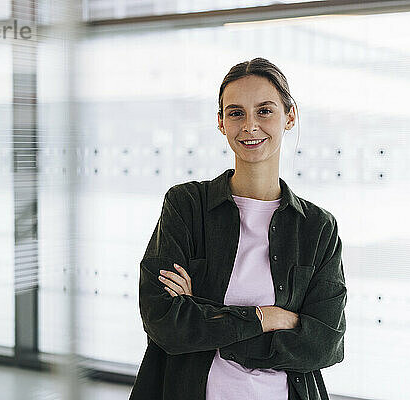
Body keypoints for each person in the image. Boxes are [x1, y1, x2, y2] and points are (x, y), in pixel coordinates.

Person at [129, 57, 346, 400]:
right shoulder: (187, 205)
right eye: (235, 113)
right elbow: (164, 322)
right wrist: (266, 318)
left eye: (264, 111)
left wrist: (204, 317)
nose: (249, 125)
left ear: (289, 116)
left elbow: (325, 344)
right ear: (221, 122)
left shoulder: (317, 229)